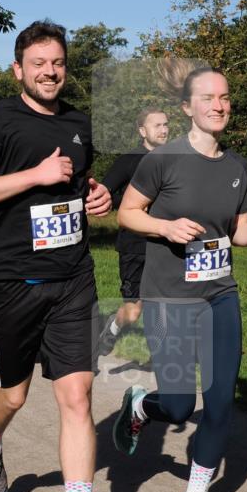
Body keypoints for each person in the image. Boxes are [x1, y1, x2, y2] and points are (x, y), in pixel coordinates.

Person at [0, 21, 113, 492]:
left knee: (77, 398)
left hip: (74, 277)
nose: (51, 72)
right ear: (18, 68)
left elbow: (79, 182)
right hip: (16, 280)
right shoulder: (0, 119)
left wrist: (98, 195)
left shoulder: (78, 123)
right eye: (40, 63)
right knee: (14, 396)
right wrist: (34, 174)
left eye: (59, 63)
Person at [113, 57, 247, 492]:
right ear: (188, 107)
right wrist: (164, 226)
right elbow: (127, 214)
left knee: (221, 401)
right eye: (208, 97)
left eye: (224, 97)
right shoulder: (163, 159)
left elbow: (237, 232)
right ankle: (144, 406)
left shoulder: (236, 166)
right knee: (182, 405)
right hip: (169, 298)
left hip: (220, 294)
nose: (219, 105)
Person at [97, 107, 169, 354]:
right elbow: (105, 192)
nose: (163, 129)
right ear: (142, 131)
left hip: (167, 243)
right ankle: (113, 329)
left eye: (165, 124)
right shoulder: (129, 160)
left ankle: (165, 353)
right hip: (134, 246)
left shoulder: (176, 158)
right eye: (157, 125)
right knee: (134, 310)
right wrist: (132, 208)